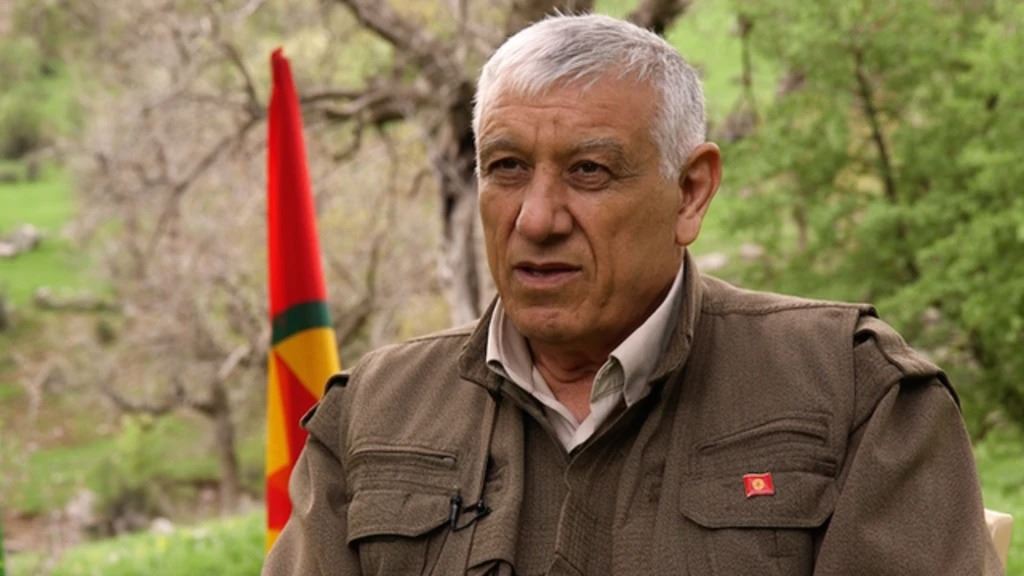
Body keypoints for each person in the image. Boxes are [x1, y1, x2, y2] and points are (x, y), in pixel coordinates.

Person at [263, 14, 1002, 576]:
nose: (537, 219)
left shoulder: (853, 391)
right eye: (507, 167)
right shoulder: (375, 411)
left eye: (588, 171)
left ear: (691, 191)